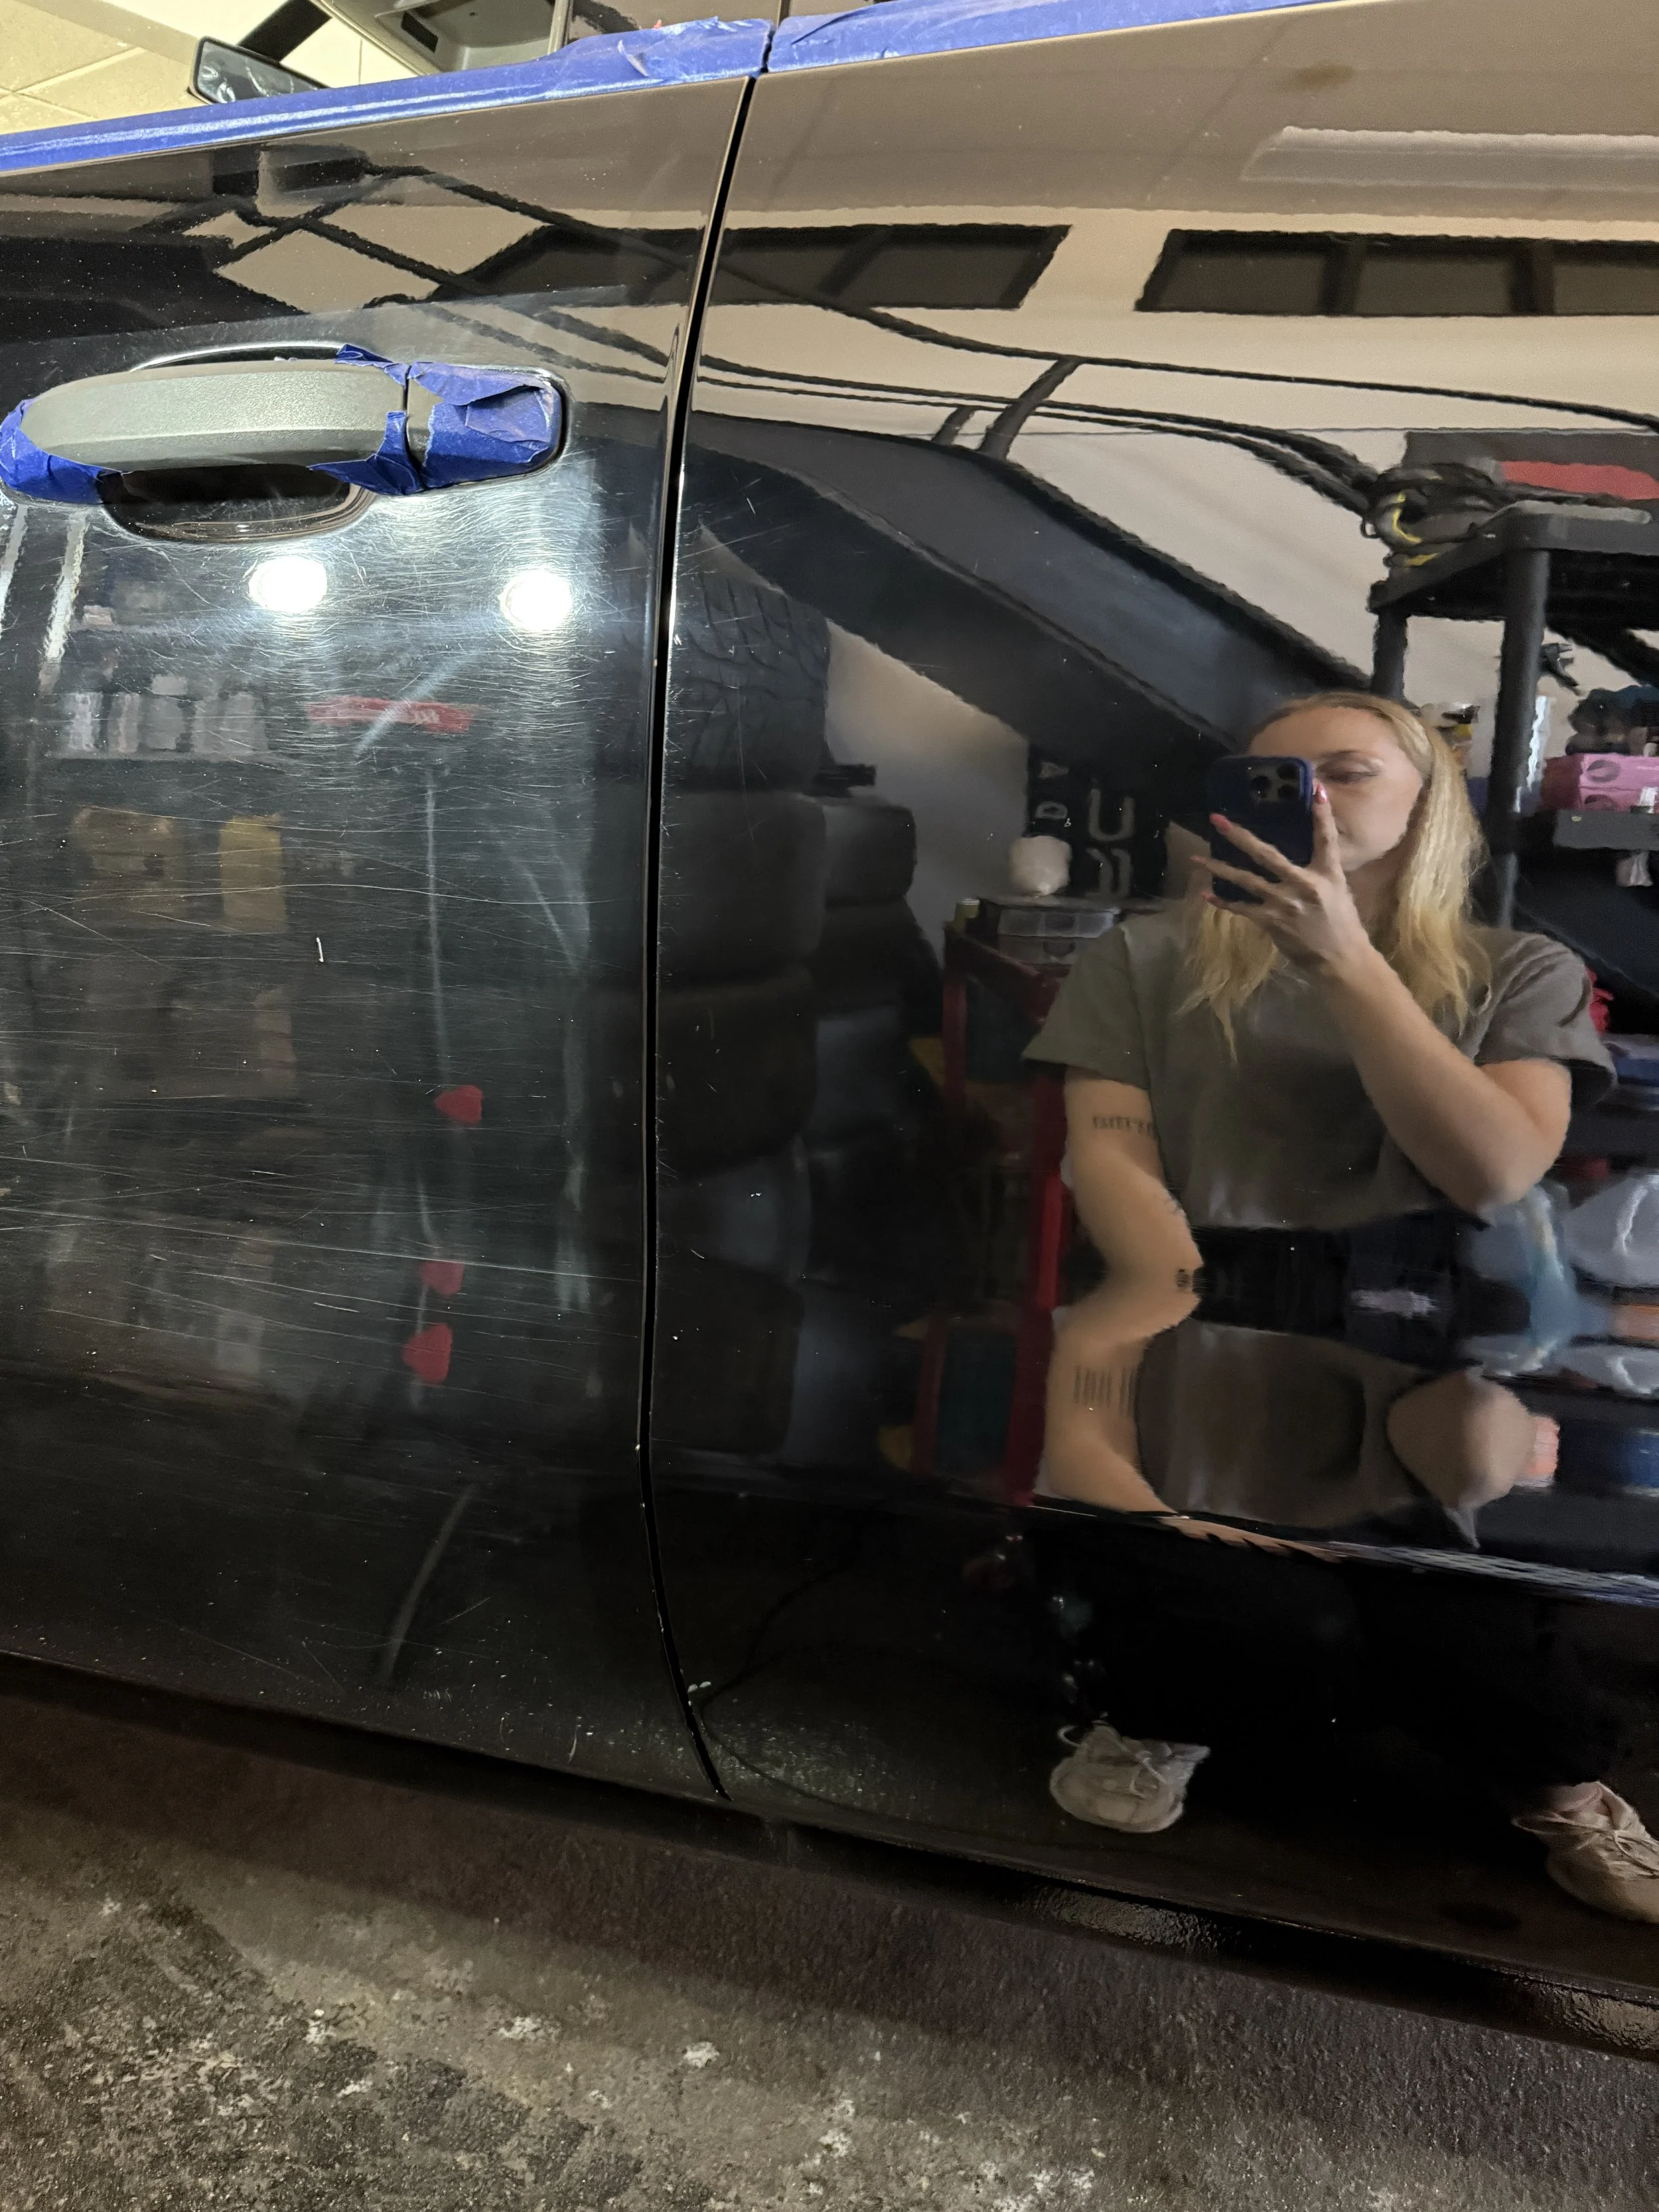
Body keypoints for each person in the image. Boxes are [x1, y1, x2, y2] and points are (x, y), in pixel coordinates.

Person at [1025, 690, 1659, 1924]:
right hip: (1198, 1312)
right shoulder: (1146, 958)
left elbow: (1496, 1170)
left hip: (1422, 1324)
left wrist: (1352, 965)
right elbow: (1102, 1155)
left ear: (1430, 812)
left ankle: (1567, 1788)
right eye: (1274, 778)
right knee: (1233, 1605)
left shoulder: (1518, 971)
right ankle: (1154, 1711)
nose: (1311, 798)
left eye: (1351, 772)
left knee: (1462, 1630)